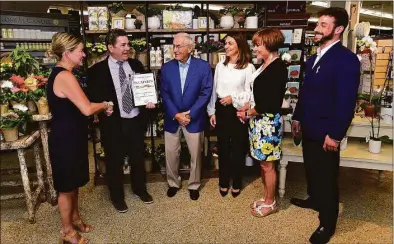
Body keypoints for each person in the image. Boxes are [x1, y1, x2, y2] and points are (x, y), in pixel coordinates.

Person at [290, 7, 361, 244]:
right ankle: (314, 199)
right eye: (317, 24)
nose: (316, 28)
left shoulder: (346, 60)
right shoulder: (313, 58)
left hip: (326, 133)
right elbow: (305, 93)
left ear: (338, 29)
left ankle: (327, 223)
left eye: (323, 25)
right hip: (309, 127)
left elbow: (346, 101)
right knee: (311, 169)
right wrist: (297, 117)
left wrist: (335, 134)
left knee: (327, 177)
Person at [47, 32, 113, 244]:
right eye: (80, 51)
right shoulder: (64, 76)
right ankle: (67, 231)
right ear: (67, 54)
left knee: (73, 183)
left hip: (71, 136)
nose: (84, 54)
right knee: (66, 187)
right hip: (65, 139)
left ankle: (74, 217)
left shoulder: (64, 73)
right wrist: (105, 105)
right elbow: (86, 108)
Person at [87, 29, 155, 213]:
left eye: (128, 44)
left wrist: (149, 101)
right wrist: (103, 109)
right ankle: (117, 197)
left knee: (138, 157)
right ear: (111, 47)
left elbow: (146, 89)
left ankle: (139, 189)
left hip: (135, 120)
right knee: (114, 161)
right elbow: (93, 98)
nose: (128, 48)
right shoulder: (96, 71)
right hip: (113, 123)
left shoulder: (136, 65)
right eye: (123, 45)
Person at [236, 28, 287, 217]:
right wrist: (248, 109)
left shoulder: (278, 67)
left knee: (268, 165)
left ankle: (270, 202)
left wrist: (248, 112)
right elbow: (259, 95)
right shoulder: (265, 65)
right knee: (263, 162)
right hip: (259, 122)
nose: (254, 48)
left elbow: (269, 102)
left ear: (269, 44)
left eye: (258, 45)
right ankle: (267, 197)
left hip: (267, 123)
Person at [161, 33, 213, 201]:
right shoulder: (166, 68)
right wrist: (176, 114)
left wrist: (190, 114)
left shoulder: (203, 67)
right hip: (172, 117)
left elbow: (206, 93)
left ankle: (194, 184)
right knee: (171, 153)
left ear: (190, 48)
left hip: (194, 118)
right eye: (173, 46)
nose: (174, 50)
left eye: (178, 46)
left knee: (195, 154)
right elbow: (164, 94)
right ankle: (173, 183)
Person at [207, 33, 255, 198]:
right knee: (223, 147)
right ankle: (223, 181)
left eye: (230, 43)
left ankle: (236, 182)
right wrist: (211, 111)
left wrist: (233, 98)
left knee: (238, 148)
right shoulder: (220, 66)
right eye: (225, 43)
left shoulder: (248, 67)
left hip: (238, 111)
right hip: (221, 110)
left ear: (240, 46)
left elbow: (251, 94)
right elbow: (214, 90)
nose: (226, 46)